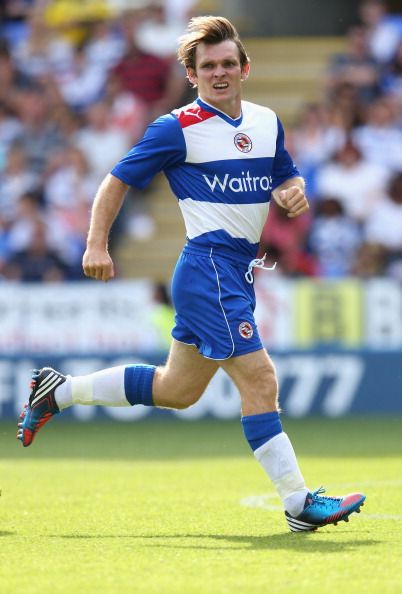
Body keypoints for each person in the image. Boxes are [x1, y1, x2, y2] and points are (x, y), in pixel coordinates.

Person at [17, 16, 365, 532]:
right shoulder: (175, 128)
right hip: (208, 270)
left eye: (228, 63)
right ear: (192, 73)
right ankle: (298, 505)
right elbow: (115, 181)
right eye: (208, 66)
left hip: (234, 271)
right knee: (261, 378)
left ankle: (58, 391)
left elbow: (282, 171)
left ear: (245, 68)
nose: (219, 73)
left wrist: (292, 188)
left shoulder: (267, 122)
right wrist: (96, 243)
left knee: (178, 389)